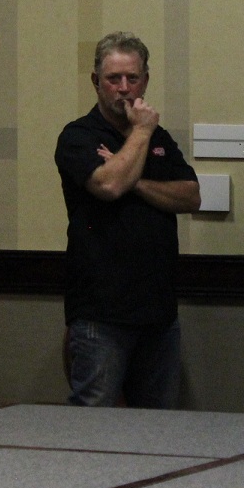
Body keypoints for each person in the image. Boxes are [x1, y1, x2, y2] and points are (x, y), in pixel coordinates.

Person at [54, 31, 201, 408]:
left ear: (145, 80)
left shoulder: (160, 139)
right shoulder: (78, 136)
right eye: (113, 78)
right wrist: (141, 131)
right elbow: (108, 186)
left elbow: (190, 195)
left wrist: (134, 181)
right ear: (96, 81)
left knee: (156, 426)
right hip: (101, 314)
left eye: (132, 78)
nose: (123, 88)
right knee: (96, 423)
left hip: (158, 313)